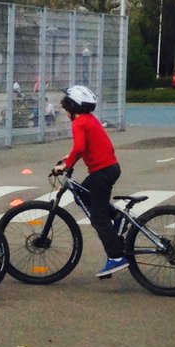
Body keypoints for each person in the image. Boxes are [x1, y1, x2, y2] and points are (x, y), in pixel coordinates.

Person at [52, 85, 126, 278]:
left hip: (102, 172)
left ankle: (117, 256)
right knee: (82, 195)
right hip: (108, 168)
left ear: (72, 106)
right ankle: (117, 217)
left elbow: (80, 147)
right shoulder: (88, 119)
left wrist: (66, 166)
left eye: (66, 106)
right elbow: (87, 146)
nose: (64, 109)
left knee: (98, 217)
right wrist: (70, 157)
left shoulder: (78, 123)